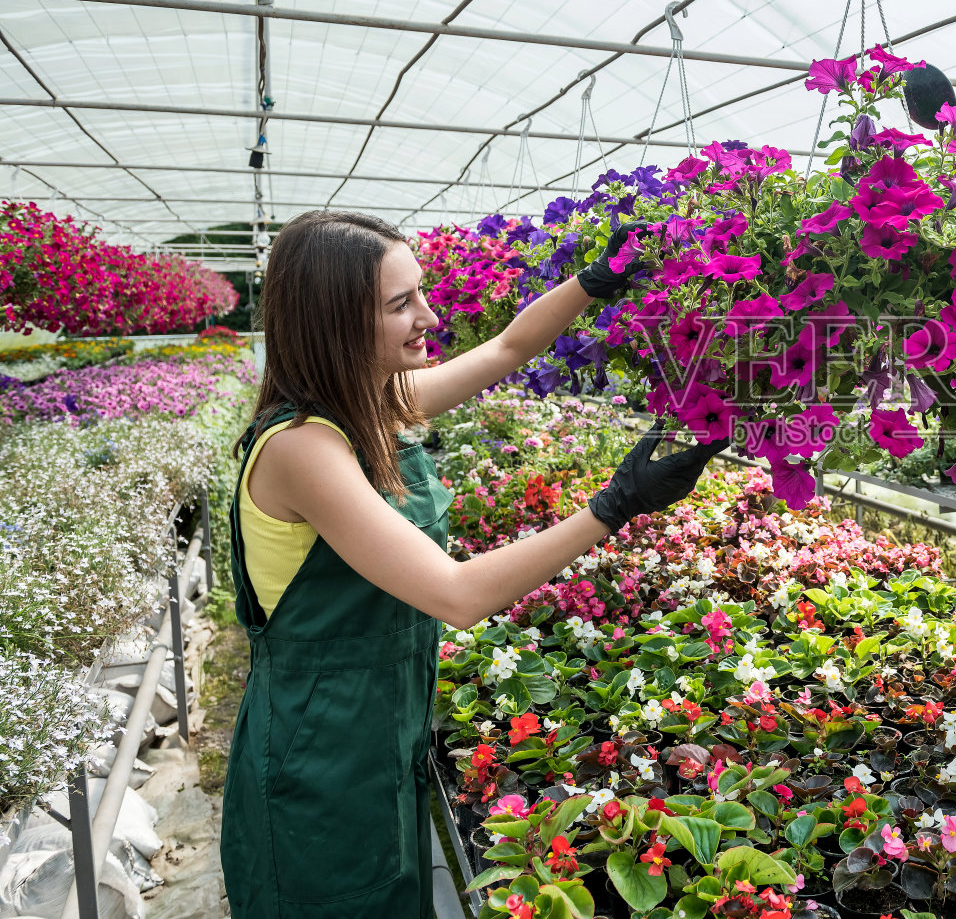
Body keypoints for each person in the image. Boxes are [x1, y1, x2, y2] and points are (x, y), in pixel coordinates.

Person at [220, 211, 723, 917]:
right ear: (334, 320)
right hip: (318, 748)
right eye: (400, 304)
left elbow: (509, 346)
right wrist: (615, 504)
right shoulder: (303, 447)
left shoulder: (372, 402)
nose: (428, 315)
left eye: (419, 292)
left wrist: (595, 282)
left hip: (379, 728)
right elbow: (456, 594)